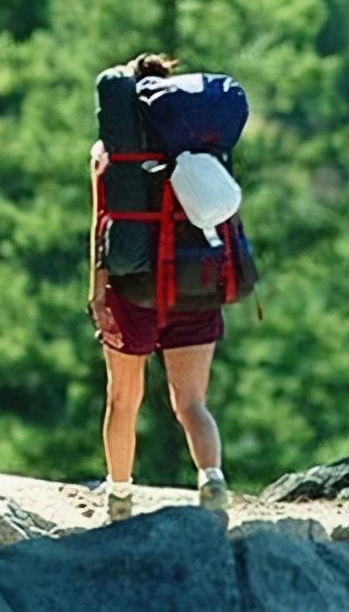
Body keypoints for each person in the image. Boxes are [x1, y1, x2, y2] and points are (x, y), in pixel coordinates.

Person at [88, 52, 229, 524]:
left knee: (123, 399)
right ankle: (212, 481)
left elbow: (102, 223)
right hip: (194, 283)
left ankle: (120, 497)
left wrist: (97, 289)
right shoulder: (201, 143)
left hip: (134, 287)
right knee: (191, 404)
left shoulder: (113, 149)